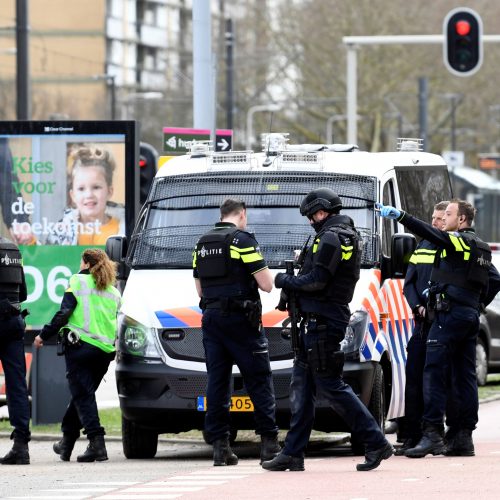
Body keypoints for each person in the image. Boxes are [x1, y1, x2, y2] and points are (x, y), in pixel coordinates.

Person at [262, 188, 393, 472]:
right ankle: (293, 453)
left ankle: (376, 442)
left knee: (331, 386)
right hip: (316, 322)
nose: (311, 221)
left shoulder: (332, 238)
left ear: (322, 212)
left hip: (324, 322)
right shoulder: (340, 235)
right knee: (302, 387)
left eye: (312, 216)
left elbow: (317, 281)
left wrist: (285, 280)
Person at [377, 199, 500, 458]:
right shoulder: (480, 246)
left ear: (462, 220)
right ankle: (462, 437)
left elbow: (432, 234)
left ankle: (432, 433)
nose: (443, 218)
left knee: (432, 372)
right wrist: (476, 304)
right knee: (464, 377)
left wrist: (402, 216)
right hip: (467, 318)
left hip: (447, 316)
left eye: (449, 214)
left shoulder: (460, 241)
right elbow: (491, 280)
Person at [193, 198, 281, 467]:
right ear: (242, 214)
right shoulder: (243, 240)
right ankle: (269, 444)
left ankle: (220, 448)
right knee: (258, 379)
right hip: (242, 320)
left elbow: (199, 290)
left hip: (211, 319)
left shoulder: (202, 243)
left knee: (217, 383)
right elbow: (266, 284)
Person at [33, 248, 121, 462]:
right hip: (105, 352)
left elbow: (65, 313)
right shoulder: (114, 292)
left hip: (80, 347)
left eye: (81, 263)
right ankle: (67, 441)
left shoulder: (78, 281)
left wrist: (43, 335)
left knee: (83, 395)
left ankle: (97, 443)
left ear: (88, 265)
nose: (79, 266)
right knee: (83, 394)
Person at [396, 200, 448, 456]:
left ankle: (439, 433)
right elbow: (409, 282)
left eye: (441, 219)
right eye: (434, 218)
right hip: (421, 322)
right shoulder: (422, 246)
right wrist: (417, 306)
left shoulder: (450, 246)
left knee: (438, 379)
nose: (436, 223)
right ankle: (411, 434)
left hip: (443, 322)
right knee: (414, 376)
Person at [45, 145, 125, 245]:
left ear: (109, 192)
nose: (89, 195)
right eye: (81, 189)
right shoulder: (61, 232)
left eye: (96, 187)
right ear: (73, 195)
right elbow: (43, 258)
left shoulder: (124, 230)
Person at [0, 236, 31, 465]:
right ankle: (21, 446)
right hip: (13, 322)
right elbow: (23, 295)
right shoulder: (12, 248)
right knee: (17, 385)